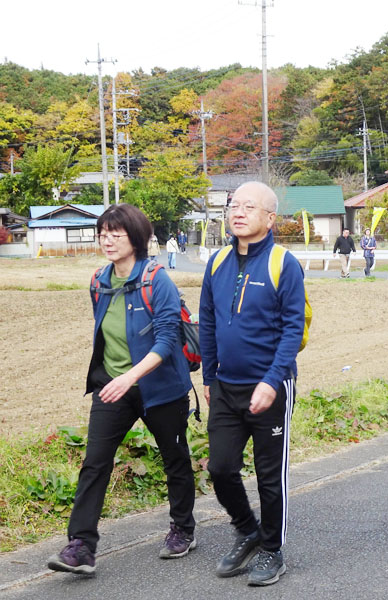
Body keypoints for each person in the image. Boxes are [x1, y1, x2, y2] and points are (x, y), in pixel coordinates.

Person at [47, 203, 196, 575]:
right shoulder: (99, 280)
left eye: (116, 233)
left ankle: (183, 527)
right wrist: (115, 378)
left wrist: (132, 376)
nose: (107, 239)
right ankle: (81, 545)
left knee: (174, 459)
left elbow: (166, 339)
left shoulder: (156, 279)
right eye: (103, 233)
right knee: (94, 462)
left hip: (161, 388)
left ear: (137, 238)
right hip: (113, 387)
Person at [199, 181, 306, 587]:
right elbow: (206, 321)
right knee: (221, 468)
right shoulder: (217, 261)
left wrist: (272, 381)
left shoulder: (283, 263)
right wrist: (209, 377)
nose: (238, 212)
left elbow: (292, 329)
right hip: (225, 386)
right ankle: (247, 530)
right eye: (233, 205)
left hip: (270, 387)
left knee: (268, 475)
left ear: (269, 217)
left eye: (248, 206)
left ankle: (272, 550)